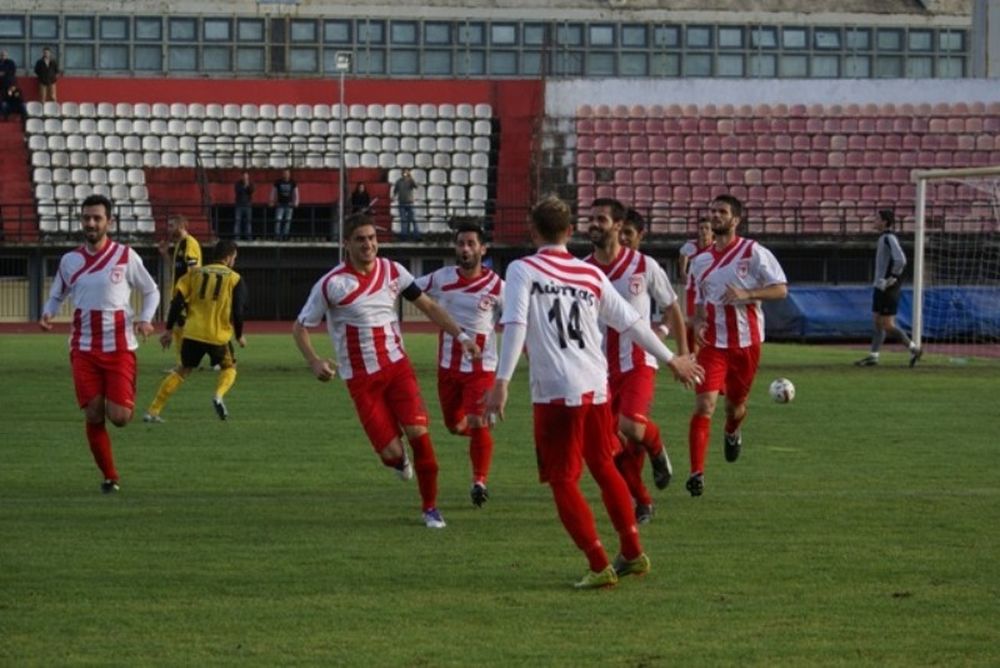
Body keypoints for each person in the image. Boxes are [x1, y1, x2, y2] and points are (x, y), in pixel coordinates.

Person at [482, 196, 702, 589]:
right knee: (602, 465)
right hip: (595, 385)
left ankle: (599, 563)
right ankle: (632, 552)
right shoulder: (589, 276)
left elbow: (514, 323)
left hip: (555, 391)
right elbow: (634, 322)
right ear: (570, 232)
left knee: (563, 479)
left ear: (533, 231)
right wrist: (672, 359)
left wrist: (501, 381)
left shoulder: (523, 268)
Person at [292, 214, 481, 529]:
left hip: (397, 370)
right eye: (360, 239)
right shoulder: (332, 284)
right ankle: (397, 459)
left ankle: (430, 508)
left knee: (421, 436)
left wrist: (461, 336)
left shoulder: (394, 271)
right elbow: (300, 328)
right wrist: (314, 361)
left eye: (372, 238)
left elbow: (430, 307)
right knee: (390, 453)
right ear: (347, 244)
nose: (368, 244)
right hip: (362, 382)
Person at [38, 194, 160, 493]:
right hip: (83, 348)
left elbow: (152, 290)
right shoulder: (70, 260)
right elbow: (57, 293)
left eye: (97, 218)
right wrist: (48, 312)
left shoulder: (126, 256)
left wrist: (145, 319)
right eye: (86, 218)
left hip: (119, 348)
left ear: (109, 222)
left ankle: (123, 391)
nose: (91, 223)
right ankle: (110, 476)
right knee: (93, 413)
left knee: (119, 418)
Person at [585, 198, 688, 526]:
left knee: (630, 425)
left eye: (601, 219)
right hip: (596, 369)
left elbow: (672, 307)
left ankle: (656, 449)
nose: (594, 225)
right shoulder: (583, 269)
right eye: (591, 219)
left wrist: (682, 353)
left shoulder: (644, 266)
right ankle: (642, 501)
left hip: (638, 361)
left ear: (618, 225)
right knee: (609, 447)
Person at [686, 194, 788, 497]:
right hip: (713, 345)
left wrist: (747, 295)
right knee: (705, 405)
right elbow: (701, 305)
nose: (715, 216)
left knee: (734, 407)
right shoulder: (700, 261)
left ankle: (732, 430)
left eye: (722, 212)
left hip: (746, 345)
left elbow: (781, 289)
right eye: (713, 211)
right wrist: (699, 323)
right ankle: (696, 473)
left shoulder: (753, 252)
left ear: (736, 219)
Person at [414, 221, 503, 507]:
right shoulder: (441, 278)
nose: (464, 249)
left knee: (476, 420)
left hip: (481, 367)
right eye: (461, 243)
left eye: (471, 244)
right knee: (454, 425)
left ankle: (480, 481)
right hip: (448, 367)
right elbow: (409, 289)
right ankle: (481, 437)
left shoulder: (497, 286)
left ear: (482, 249)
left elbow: (515, 318)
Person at [144, 241, 247, 423]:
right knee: (230, 368)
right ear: (229, 257)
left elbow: (176, 303)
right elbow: (238, 311)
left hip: (192, 333)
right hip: (217, 336)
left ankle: (153, 411)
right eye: (234, 258)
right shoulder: (235, 278)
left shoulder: (194, 274)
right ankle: (218, 395)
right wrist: (239, 335)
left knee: (181, 371)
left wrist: (168, 330)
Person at [855, 209, 922, 367]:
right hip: (880, 287)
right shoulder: (883, 238)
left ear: (885, 222)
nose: (874, 221)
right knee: (877, 321)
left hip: (887, 288)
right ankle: (873, 355)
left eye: (877, 218)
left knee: (887, 324)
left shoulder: (889, 238)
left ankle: (914, 349)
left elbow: (901, 260)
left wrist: (892, 278)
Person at [158, 215, 202, 366]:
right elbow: (176, 269)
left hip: (186, 295)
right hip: (179, 293)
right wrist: (165, 254)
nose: (169, 229)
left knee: (182, 328)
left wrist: (188, 295)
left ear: (182, 225)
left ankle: (184, 363)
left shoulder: (189, 244)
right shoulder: (179, 245)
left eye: (172, 226)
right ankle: (184, 362)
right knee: (181, 328)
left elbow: (194, 270)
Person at [678, 218, 715, 354]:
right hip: (693, 288)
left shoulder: (716, 247)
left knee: (709, 319)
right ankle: (691, 351)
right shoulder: (691, 246)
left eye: (707, 228)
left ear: (712, 232)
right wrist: (683, 270)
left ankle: (708, 349)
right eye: (701, 228)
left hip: (710, 289)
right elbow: (682, 255)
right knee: (693, 320)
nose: (704, 231)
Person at [270, 169, 299, 241]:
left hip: (289, 204)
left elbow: (296, 193)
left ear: (289, 174)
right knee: (278, 220)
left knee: (287, 221)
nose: (286, 175)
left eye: (287, 173)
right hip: (280, 204)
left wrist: (296, 202)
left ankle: (285, 236)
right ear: (283, 174)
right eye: (285, 173)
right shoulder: (278, 182)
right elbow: (273, 192)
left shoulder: (293, 182)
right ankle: (277, 235)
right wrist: (271, 201)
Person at [392, 168, 419, 241]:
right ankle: (404, 235)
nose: (404, 174)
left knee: (413, 219)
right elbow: (395, 191)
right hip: (402, 203)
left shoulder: (410, 181)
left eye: (406, 173)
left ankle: (417, 235)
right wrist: (393, 197)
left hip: (410, 203)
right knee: (403, 220)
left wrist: (411, 178)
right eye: (403, 172)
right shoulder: (398, 182)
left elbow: (416, 187)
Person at [233, 171, 255, 240]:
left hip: (248, 205)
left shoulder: (250, 184)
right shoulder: (238, 184)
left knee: (248, 222)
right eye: (244, 176)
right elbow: (238, 191)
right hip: (239, 205)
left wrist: (247, 186)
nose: (245, 178)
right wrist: (244, 187)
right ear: (242, 177)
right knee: (237, 221)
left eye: (246, 176)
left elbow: (251, 191)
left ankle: (248, 237)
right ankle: (237, 237)